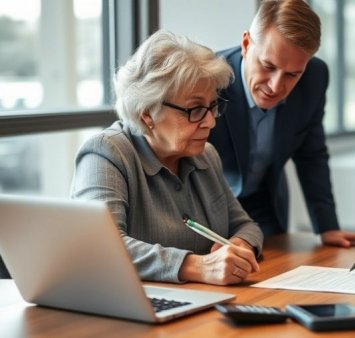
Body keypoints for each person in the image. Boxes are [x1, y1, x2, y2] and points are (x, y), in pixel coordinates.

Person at [71, 30, 262, 285]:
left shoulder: (207, 156)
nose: (209, 122)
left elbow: (247, 226)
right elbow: (99, 247)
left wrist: (237, 247)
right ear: (146, 113)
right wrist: (198, 266)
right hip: (131, 311)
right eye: (194, 109)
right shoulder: (106, 153)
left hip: (201, 305)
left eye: (212, 106)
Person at [208, 0, 355, 247]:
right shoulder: (209, 79)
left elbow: (311, 155)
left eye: (292, 74)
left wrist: (328, 227)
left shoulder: (315, 77)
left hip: (265, 209)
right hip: (208, 212)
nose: (276, 86)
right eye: (268, 66)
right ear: (247, 44)